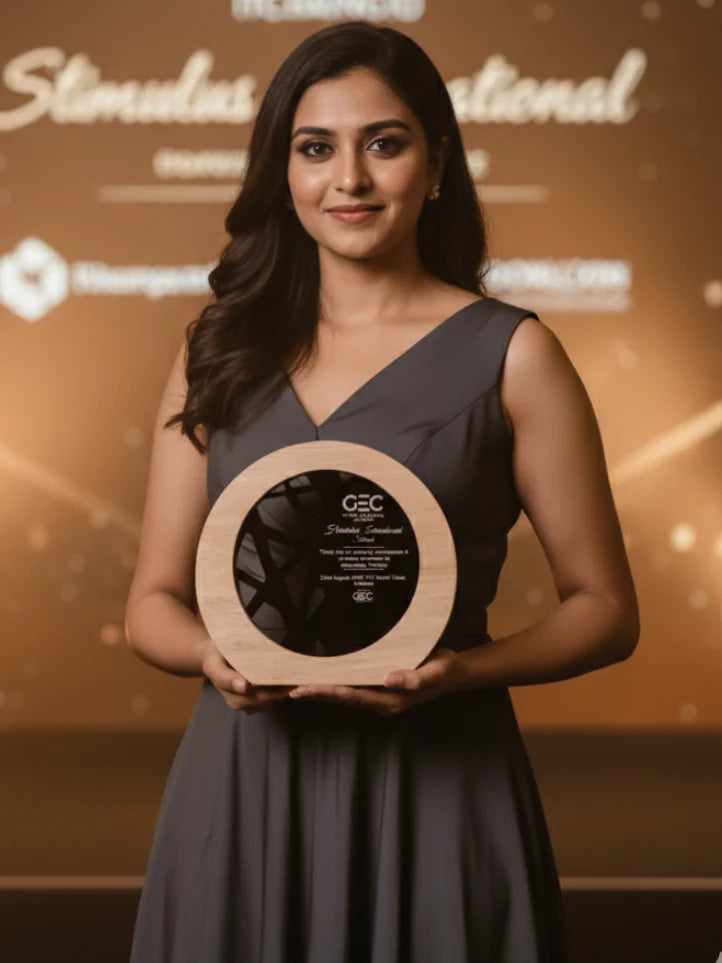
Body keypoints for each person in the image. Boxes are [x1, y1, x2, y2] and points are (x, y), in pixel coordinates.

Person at [126, 19, 639, 963]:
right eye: (316, 148)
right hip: (246, 782)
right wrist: (215, 656)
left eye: (384, 144)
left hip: (441, 786)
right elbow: (152, 604)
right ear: (282, 170)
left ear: (437, 163)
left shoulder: (516, 354)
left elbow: (607, 611)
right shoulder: (216, 350)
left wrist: (459, 673)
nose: (349, 180)